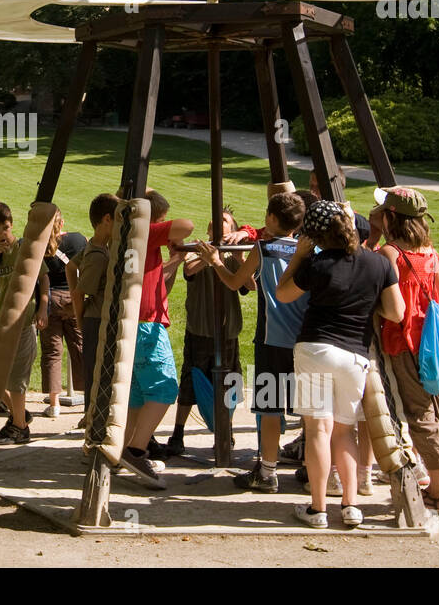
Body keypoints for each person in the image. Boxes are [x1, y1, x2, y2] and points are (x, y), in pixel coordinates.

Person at [277, 199, 404, 530]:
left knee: (318, 428)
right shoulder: (378, 264)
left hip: (316, 348)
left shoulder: (317, 264)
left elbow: (283, 293)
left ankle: (317, 509)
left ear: (317, 236)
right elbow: (396, 312)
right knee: (346, 430)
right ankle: (350, 505)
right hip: (354, 354)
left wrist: (299, 257)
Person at [204, 191, 308, 493]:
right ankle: (316, 469)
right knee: (312, 410)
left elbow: (236, 283)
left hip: (271, 340)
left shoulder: (264, 249)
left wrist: (215, 261)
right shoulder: (310, 252)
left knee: (271, 409)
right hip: (307, 342)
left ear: (272, 218)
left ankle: (267, 471)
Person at [374, 187, 439, 517]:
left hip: (404, 342)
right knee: (437, 409)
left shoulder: (390, 254)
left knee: (419, 416)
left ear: (391, 217)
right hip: (432, 344)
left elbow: (392, 308)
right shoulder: (430, 252)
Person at [118, 189, 192, 488]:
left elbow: (157, 278)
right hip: (147, 326)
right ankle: (137, 451)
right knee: (164, 388)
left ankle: (122, 451)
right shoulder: (144, 233)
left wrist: (173, 259)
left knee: (137, 396)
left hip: (131, 324)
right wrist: (167, 232)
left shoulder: (127, 236)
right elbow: (186, 225)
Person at [169, 207, 244, 457]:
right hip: (200, 329)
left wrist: (230, 258)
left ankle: (226, 432)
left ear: (232, 229)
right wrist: (210, 255)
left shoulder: (236, 255)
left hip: (228, 331)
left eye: (224, 220)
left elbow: (248, 285)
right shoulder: (196, 248)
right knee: (190, 382)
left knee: (230, 385)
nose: (217, 221)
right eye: (215, 218)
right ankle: (178, 433)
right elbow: (189, 270)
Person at [0, 202, 49, 444]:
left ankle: (20, 427)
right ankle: (20, 415)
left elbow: (43, 279)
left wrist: (43, 308)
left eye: (5, 228)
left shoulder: (24, 249)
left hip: (23, 322)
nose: (2, 234)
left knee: (17, 378)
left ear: (12, 225)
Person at [38, 207, 87, 417]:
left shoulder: (40, 246)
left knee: (52, 353)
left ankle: (54, 403)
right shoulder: (78, 240)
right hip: (74, 299)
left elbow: (42, 278)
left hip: (50, 301)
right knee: (81, 349)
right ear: (62, 223)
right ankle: (89, 401)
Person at [71, 194, 117, 400]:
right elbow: (80, 293)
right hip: (96, 320)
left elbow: (70, 266)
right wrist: (79, 321)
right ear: (107, 219)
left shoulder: (96, 246)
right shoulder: (97, 257)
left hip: (97, 319)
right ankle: (91, 416)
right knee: (97, 373)